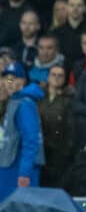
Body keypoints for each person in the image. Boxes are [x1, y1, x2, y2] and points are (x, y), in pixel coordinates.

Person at [0, 62, 45, 201]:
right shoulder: (15, 101)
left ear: (23, 81)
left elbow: (31, 140)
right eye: (7, 79)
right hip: (10, 163)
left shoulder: (25, 103)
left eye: (14, 79)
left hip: (18, 166)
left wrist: (24, 173)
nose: (9, 83)